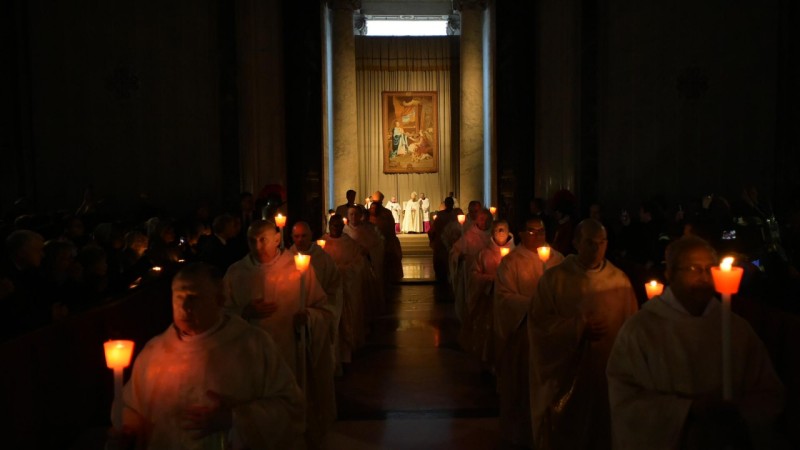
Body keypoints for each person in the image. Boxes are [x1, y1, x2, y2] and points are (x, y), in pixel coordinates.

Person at [607, 236, 786, 449]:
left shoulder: (735, 328)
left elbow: (768, 391)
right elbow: (625, 401)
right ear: (670, 273)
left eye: (708, 268)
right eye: (692, 268)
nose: (703, 277)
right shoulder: (640, 330)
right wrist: (687, 412)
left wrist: (739, 414)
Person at [107, 263, 304, 449]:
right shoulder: (154, 352)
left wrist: (234, 419)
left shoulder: (252, 345)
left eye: (194, 297)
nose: (185, 307)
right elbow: (132, 407)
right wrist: (128, 428)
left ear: (220, 299)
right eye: (178, 297)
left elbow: (290, 407)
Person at [223, 220, 337, 448]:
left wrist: (309, 318)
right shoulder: (236, 273)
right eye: (251, 240)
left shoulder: (298, 268)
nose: (257, 246)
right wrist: (244, 311)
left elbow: (323, 308)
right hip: (250, 361)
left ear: (277, 238)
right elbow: (221, 316)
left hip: (289, 354)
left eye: (262, 239)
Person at [529, 218, 637, 449]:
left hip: (608, 375)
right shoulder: (554, 280)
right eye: (589, 242)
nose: (596, 248)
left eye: (602, 242)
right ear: (576, 243)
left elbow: (633, 331)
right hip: (568, 377)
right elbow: (539, 326)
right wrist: (576, 328)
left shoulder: (620, 281)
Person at [494, 217, 565, 447]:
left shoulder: (559, 261)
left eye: (542, 231)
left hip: (554, 336)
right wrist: (533, 306)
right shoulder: (512, 262)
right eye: (532, 231)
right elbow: (504, 297)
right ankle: (522, 433)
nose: (538, 235)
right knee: (524, 387)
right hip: (525, 336)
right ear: (522, 234)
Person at [459, 218, 515, 372]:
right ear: (492, 232)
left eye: (504, 229)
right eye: (498, 229)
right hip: (489, 302)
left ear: (509, 231)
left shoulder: (517, 254)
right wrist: (491, 280)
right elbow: (474, 274)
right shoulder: (484, 254)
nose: (501, 232)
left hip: (510, 305)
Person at [321, 214, 369, 368]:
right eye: (332, 225)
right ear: (329, 226)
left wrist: (343, 271)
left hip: (347, 288)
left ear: (342, 226)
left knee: (346, 323)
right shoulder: (322, 243)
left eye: (338, 225)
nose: (335, 228)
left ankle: (346, 353)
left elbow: (359, 263)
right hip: (328, 292)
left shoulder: (350, 243)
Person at [450, 208, 491, 322]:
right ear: (477, 220)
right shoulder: (469, 235)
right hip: (471, 277)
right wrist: (459, 256)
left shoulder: (494, 235)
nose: (484, 222)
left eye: (487, 219)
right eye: (481, 219)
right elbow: (454, 251)